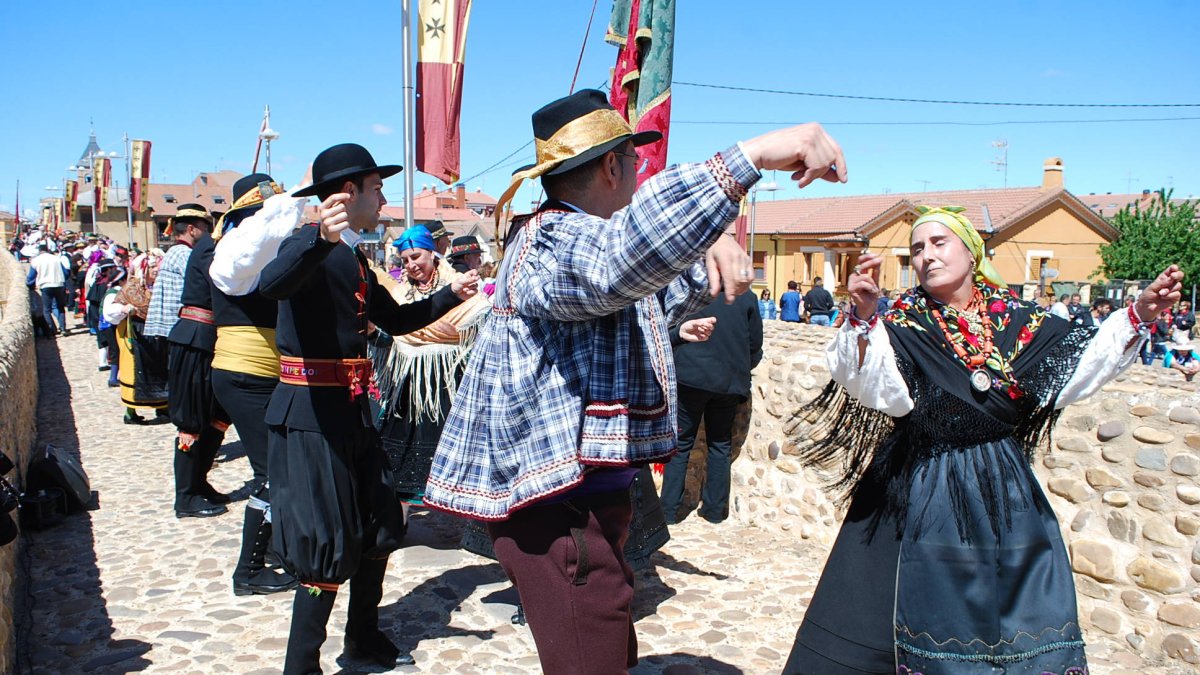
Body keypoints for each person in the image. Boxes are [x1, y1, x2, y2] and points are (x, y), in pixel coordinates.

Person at [424, 89, 845, 674]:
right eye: (634, 162)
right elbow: (615, 267)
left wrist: (707, 245)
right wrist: (751, 158)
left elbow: (642, 287)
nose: (639, 173)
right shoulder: (552, 238)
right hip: (562, 516)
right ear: (609, 166)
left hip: (585, 509)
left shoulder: (575, 240)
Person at [783, 204, 1180, 674]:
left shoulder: (1018, 321)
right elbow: (875, 387)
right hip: (922, 481)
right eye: (916, 248)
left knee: (1015, 609)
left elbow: (1076, 368)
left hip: (1003, 487)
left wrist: (1139, 313)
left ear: (972, 254)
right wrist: (866, 318)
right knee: (896, 613)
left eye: (938, 243)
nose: (926, 255)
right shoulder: (904, 324)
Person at [258, 143, 477, 674]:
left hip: (352, 413)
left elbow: (397, 321)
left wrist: (453, 294)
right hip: (310, 418)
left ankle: (362, 637)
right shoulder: (305, 244)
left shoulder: (353, 256)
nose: (383, 198)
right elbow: (271, 285)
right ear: (349, 191)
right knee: (325, 542)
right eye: (377, 188)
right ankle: (301, 665)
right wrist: (317, 237)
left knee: (380, 524)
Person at [208, 173, 302, 597]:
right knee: (271, 472)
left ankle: (279, 551)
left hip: (259, 372)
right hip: (247, 373)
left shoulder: (257, 250)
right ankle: (248, 569)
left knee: (280, 467)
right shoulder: (238, 249)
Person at [373, 225, 490, 504]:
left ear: (432, 253)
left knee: (456, 450)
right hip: (408, 386)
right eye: (405, 261)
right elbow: (393, 329)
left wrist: (424, 331)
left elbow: (478, 317)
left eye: (416, 257)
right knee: (401, 457)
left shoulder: (460, 286)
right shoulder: (400, 295)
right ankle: (399, 518)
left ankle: (464, 514)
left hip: (450, 381)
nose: (411, 265)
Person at [661, 290, 762, 524]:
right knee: (720, 444)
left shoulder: (692, 290)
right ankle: (714, 511)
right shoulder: (747, 296)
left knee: (681, 444)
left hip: (690, 375)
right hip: (728, 381)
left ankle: (668, 511)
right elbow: (755, 344)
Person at [165, 204, 231, 518]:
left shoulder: (211, 244)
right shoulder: (209, 246)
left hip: (209, 337)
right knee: (192, 420)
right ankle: (185, 496)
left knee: (216, 417)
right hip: (196, 337)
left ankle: (199, 482)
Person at [110, 251, 171, 425]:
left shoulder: (162, 285)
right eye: (151, 267)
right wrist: (124, 309)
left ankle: (163, 407)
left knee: (160, 369)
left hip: (158, 333)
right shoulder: (131, 287)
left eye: (156, 266)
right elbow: (111, 309)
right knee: (136, 371)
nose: (155, 270)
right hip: (137, 333)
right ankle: (131, 412)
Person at [26, 243, 70, 336]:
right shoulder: (56, 258)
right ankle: (63, 328)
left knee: (46, 309)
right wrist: (62, 281)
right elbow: (65, 272)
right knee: (60, 307)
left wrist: (30, 285)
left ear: (39, 251)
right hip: (59, 284)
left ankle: (51, 330)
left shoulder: (36, 260)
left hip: (45, 285)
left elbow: (31, 277)